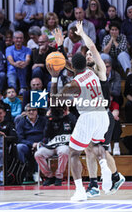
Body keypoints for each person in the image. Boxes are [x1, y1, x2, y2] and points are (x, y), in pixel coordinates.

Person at [47, 29, 113, 201]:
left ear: (73, 68)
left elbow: (54, 101)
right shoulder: (92, 72)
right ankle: (104, 166)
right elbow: (71, 65)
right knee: (97, 144)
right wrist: (60, 47)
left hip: (89, 116)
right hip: (102, 115)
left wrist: (54, 77)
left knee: (73, 153)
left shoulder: (74, 84)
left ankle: (79, 191)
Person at [72, 21, 125, 198]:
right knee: (90, 149)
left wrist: (82, 34)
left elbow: (93, 47)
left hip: (103, 115)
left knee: (100, 149)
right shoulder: (83, 74)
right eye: (85, 54)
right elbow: (70, 65)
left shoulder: (100, 70)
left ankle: (116, 176)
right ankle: (94, 183)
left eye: (90, 54)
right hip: (93, 116)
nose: (88, 56)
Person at [34, 106, 75, 186]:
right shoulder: (51, 119)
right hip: (52, 145)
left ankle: (59, 176)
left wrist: (68, 114)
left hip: (64, 144)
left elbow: (76, 126)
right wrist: (48, 118)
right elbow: (46, 134)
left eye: (61, 109)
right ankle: (49, 176)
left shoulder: (69, 118)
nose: (59, 112)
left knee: (63, 151)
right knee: (38, 154)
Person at [16, 104, 47, 183]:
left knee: (40, 149)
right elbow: (20, 138)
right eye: (29, 110)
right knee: (19, 147)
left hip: (41, 144)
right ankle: (23, 172)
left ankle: (37, 173)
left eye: (33, 110)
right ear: (25, 112)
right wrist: (31, 144)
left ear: (37, 111)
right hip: (27, 145)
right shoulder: (21, 122)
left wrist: (39, 143)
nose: (31, 112)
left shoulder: (43, 120)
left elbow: (47, 134)